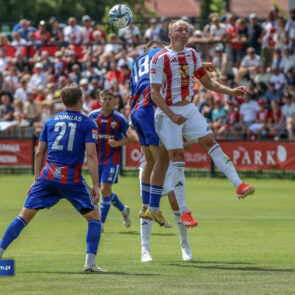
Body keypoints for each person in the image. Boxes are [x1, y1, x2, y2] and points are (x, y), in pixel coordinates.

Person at [149, 20, 255, 226]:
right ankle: (185, 212)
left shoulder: (192, 54)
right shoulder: (160, 58)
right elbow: (154, 93)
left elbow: (208, 83)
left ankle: (239, 185)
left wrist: (230, 91)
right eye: (179, 29)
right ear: (170, 34)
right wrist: (171, 115)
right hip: (166, 113)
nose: (184, 32)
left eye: (186, 30)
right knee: (177, 157)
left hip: (188, 108)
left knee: (210, 141)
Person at [0, 83, 105, 273]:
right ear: (81, 100)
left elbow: (39, 152)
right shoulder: (88, 123)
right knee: (94, 217)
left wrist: (35, 179)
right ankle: (89, 264)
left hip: (47, 176)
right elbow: (91, 155)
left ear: (63, 101)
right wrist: (96, 185)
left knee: (23, 217)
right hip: (71, 179)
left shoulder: (50, 121)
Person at [130, 40, 216, 228]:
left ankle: (146, 206)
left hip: (137, 111)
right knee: (163, 159)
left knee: (149, 161)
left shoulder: (137, 62)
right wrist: (200, 66)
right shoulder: (161, 56)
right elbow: (179, 70)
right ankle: (153, 208)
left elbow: (132, 93)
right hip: (150, 108)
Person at [88, 90, 131, 232]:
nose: (107, 101)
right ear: (100, 101)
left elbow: (130, 137)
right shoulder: (92, 116)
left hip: (112, 159)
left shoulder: (119, 119)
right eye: (104, 99)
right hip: (96, 159)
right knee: (105, 192)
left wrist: (117, 143)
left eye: (110, 99)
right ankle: (123, 210)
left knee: (105, 189)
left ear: (115, 101)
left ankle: (100, 223)